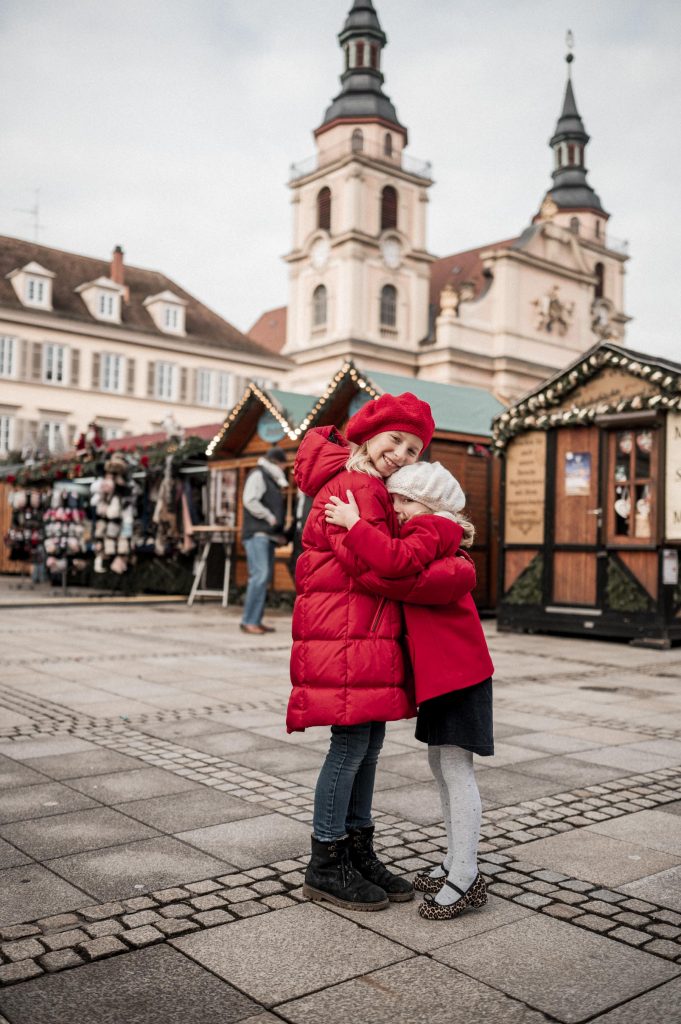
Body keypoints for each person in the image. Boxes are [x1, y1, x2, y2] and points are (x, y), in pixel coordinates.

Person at [288, 392, 475, 913]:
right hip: (347, 632)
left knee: (366, 745)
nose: (401, 453)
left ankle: (356, 850)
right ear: (370, 435)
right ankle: (327, 861)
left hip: (359, 630)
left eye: (414, 449)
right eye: (395, 440)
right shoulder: (355, 486)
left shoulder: (369, 484)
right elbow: (377, 565)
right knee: (351, 746)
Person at [325, 460, 494, 921]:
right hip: (445, 677)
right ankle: (453, 862)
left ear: (431, 503)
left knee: (456, 771)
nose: (396, 508)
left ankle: (466, 874)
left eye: (404, 499)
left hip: (460, 677)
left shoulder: (434, 530)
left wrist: (353, 528)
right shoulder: (433, 538)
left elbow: (393, 569)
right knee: (443, 767)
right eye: (394, 498)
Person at [240, 446, 288, 635]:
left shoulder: (270, 477)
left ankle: (256, 620)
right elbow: (249, 500)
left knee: (263, 577)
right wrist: (269, 517)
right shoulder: (258, 474)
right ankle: (249, 621)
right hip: (256, 534)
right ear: (278, 463)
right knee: (260, 576)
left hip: (267, 535)